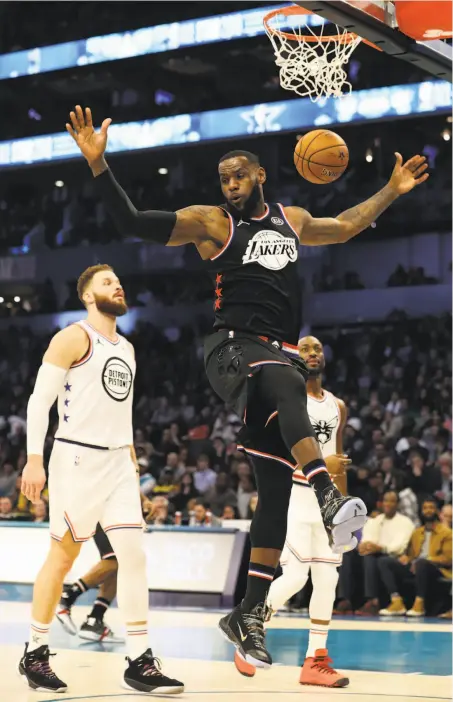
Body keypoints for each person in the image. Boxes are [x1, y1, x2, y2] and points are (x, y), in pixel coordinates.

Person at [67, 104, 427, 668]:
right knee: (286, 379)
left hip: (276, 357)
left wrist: (393, 188)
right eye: (223, 178)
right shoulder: (212, 223)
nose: (230, 184)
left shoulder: (294, 219)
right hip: (231, 348)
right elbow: (135, 221)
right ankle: (330, 497)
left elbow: (349, 224)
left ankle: (249, 614)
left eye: (238, 175)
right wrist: (97, 163)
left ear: (259, 175)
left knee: (276, 493)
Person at [19, 264, 183, 694]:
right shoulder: (73, 337)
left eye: (118, 281)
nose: (118, 285)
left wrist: (131, 463)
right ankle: (35, 653)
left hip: (116, 464)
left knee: (134, 556)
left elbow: (122, 414)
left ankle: (139, 659)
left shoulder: (126, 348)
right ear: (88, 296)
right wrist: (34, 460)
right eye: (107, 282)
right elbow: (40, 402)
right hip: (75, 458)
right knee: (62, 558)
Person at [234, 336, 350, 687]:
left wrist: (340, 511)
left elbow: (339, 463)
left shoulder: (337, 406)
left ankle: (315, 660)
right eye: (304, 349)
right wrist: (322, 464)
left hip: (323, 501)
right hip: (296, 495)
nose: (312, 354)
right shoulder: (286, 397)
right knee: (297, 577)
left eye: (317, 349)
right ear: (289, 356)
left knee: (328, 579)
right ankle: (249, 630)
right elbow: (278, 460)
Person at [378, 497, 452, 616]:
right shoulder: (417, 532)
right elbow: (410, 555)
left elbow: (448, 559)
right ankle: (396, 601)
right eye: (425, 508)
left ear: (437, 511)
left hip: (437, 570)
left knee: (421, 563)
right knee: (384, 561)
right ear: (421, 511)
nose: (428, 511)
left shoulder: (447, 533)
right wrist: (406, 558)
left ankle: (419, 604)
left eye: (431, 508)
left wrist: (426, 560)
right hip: (416, 567)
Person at [56, 523, 123, 643]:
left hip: (111, 513)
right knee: (114, 560)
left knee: (117, 564)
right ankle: (67, 597)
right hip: (107, 513)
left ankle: (94, 620)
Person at [352, 491, 414, 616]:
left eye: (392, 501)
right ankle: (346, 601)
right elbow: (367, 540)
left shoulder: (405, 522)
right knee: (350, 556)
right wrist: (365, 546)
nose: (388, 504)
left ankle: (385, 601)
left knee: (381, 560)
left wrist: (380, 548)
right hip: (376, 555)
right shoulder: (375, 520)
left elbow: (399, 547)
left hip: (396, 560)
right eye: (386, 500)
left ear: (397, 504)